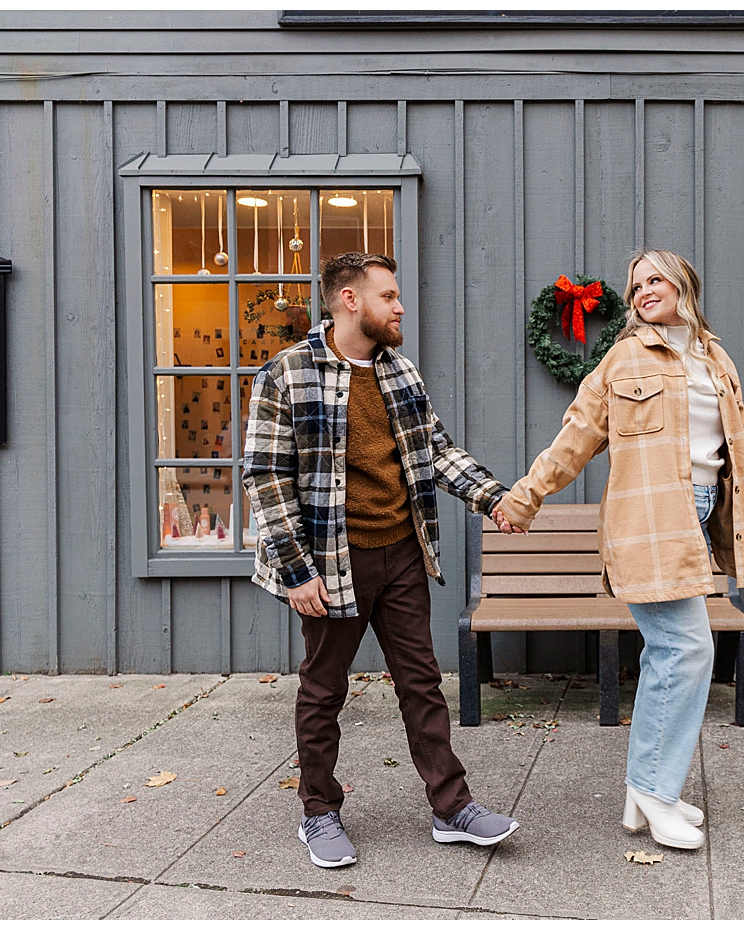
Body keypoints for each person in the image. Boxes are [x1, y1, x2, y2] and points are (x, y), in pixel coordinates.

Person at [496, 249, 744, 851]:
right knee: (685, 649)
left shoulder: (715, 357)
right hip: (648, 521)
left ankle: (648, 788)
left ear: (683, 285)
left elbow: (738, 445)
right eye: (636, 285)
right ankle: (655, 793)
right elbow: (574, 438)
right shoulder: (624, 359)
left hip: (701, 517)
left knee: (669, 653)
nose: (644, 291)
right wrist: (525, 497)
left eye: (655, 279)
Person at [244, 251, 523, 869]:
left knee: (422, 683)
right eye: (389, 297)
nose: (400, 308)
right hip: (327, 561)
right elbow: (264, 477)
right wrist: (296, 572)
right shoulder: (287, 373)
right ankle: (319, 812)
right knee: (323, 690)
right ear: (350, 300)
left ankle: (452, 808)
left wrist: (494, 498)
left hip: (401, 552)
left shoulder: (401, 373)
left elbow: (436, 453)